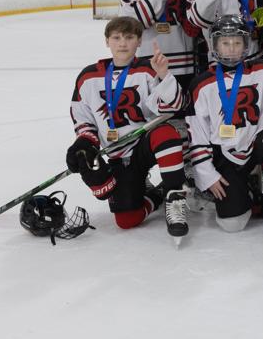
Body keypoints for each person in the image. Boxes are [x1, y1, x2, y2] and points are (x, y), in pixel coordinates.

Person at [185, 15, 263, 241]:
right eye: (225, 42)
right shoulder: (201, 84)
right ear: (214, 46)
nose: (231, 48)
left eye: (237, 42)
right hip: (225, 152)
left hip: (259, 139)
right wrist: (208, 175)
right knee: (232, 224)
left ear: (246, 44)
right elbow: (198, 136)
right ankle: (249, 192)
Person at [66, 17, 188, 239]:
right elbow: (83, 119)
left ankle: (175, 198)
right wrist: (85, 143)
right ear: (107, 41)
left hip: (143, 145)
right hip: (117, 154)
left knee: (166, 133)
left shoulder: (148, 70)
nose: (122, 43)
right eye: (116, 38)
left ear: (139, 41)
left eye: (129, 37)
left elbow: (175, 106)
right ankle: (158, 194)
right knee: (127, 220)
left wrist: (164, 75)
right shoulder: (88, 77)